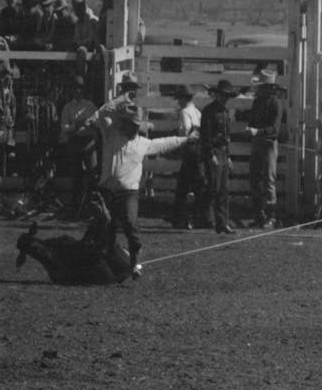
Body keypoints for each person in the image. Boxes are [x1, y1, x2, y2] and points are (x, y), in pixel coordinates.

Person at [96, 74, 195, 278]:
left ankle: (133, 262)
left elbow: (166, 142)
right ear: (125, 124)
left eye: (136, 126)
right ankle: (108, 263)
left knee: (131, 225)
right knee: (108, 228)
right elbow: (102, 112)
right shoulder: (111, 135)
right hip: (108, 189)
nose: (134, 129)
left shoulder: (140, 142)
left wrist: (185, 139)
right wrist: (123, 98)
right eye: (132, 125)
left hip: (127, 192)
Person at [246, 67, 285, 228]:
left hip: (268, 144)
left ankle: (271, 216)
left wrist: (257, 131)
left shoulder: (275, 104)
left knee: (268, 180)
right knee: (255, 178)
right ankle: (259, 215)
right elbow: (252, 120)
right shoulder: (258, 101)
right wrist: (251, 128)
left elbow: (274, 130)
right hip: (259, 143)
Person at [57, 76, 100, 218]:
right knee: (76, 176)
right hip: (74, 142)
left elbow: (97, 122)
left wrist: (89, 124)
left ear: (83, 90)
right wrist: (76, 125)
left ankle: (92, 207)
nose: (77, 91)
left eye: (79, 88)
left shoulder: (90, 106)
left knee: (92, 175)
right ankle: (76, 207)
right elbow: (64, 127)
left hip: (88, 143)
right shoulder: (68, 107)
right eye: (74, 88)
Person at [199, 80, 236, 233]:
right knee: (213, 187)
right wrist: (210, 154)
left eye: (227, 96)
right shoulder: (208, 111)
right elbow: (205, 135)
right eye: (223, 95)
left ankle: (222, 222)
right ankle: (205, 218)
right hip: (213, 152)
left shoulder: (226, 112)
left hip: (222, 152)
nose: (225, 98)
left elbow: (227, 136)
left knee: (223, 190)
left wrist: (228, 156)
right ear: (218, 95)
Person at [171, 84, 204, 230]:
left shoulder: (184, 112)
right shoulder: (197, 112)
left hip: (189, 150)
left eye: (179, 99)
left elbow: (185, 132)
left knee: (183, 187)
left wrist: (179, 143)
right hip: (198, 151)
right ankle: (198, 217)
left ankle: (182, 218)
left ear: (184, 99)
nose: (178, 102)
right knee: (196, 185)